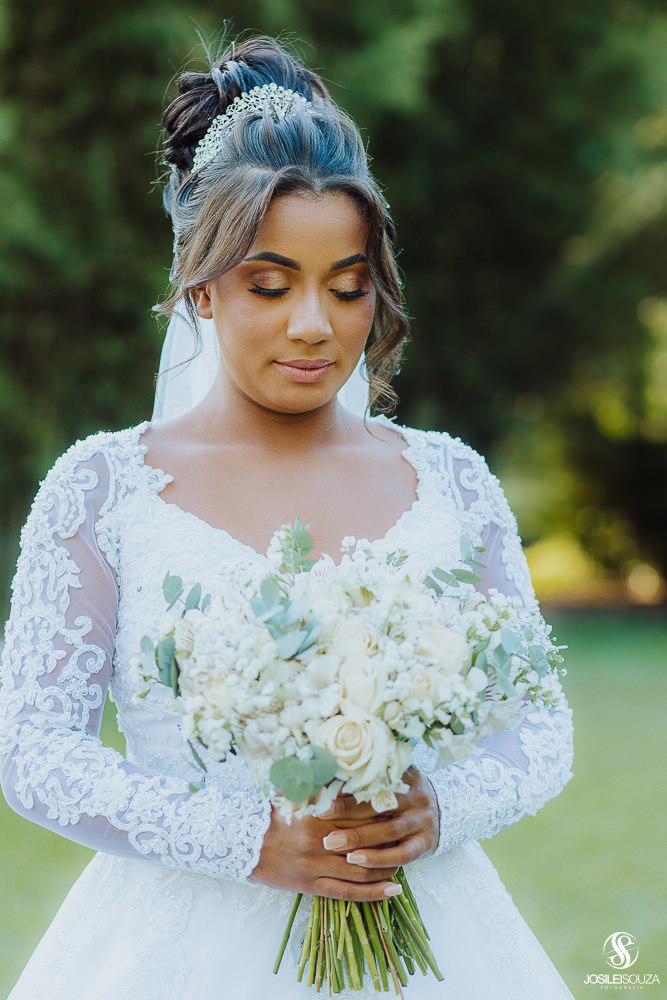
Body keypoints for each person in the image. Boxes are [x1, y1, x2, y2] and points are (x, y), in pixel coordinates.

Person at [0, 36, 575, 999]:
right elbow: (32, 750)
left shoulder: (452, 484)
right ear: (200, 285)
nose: (314, 322)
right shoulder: (104, 489)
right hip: (180, 946)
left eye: (346, 288)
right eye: (271, 286)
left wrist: (441, 809)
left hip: (433, 925)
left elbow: (541, 726)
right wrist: (250, 841)